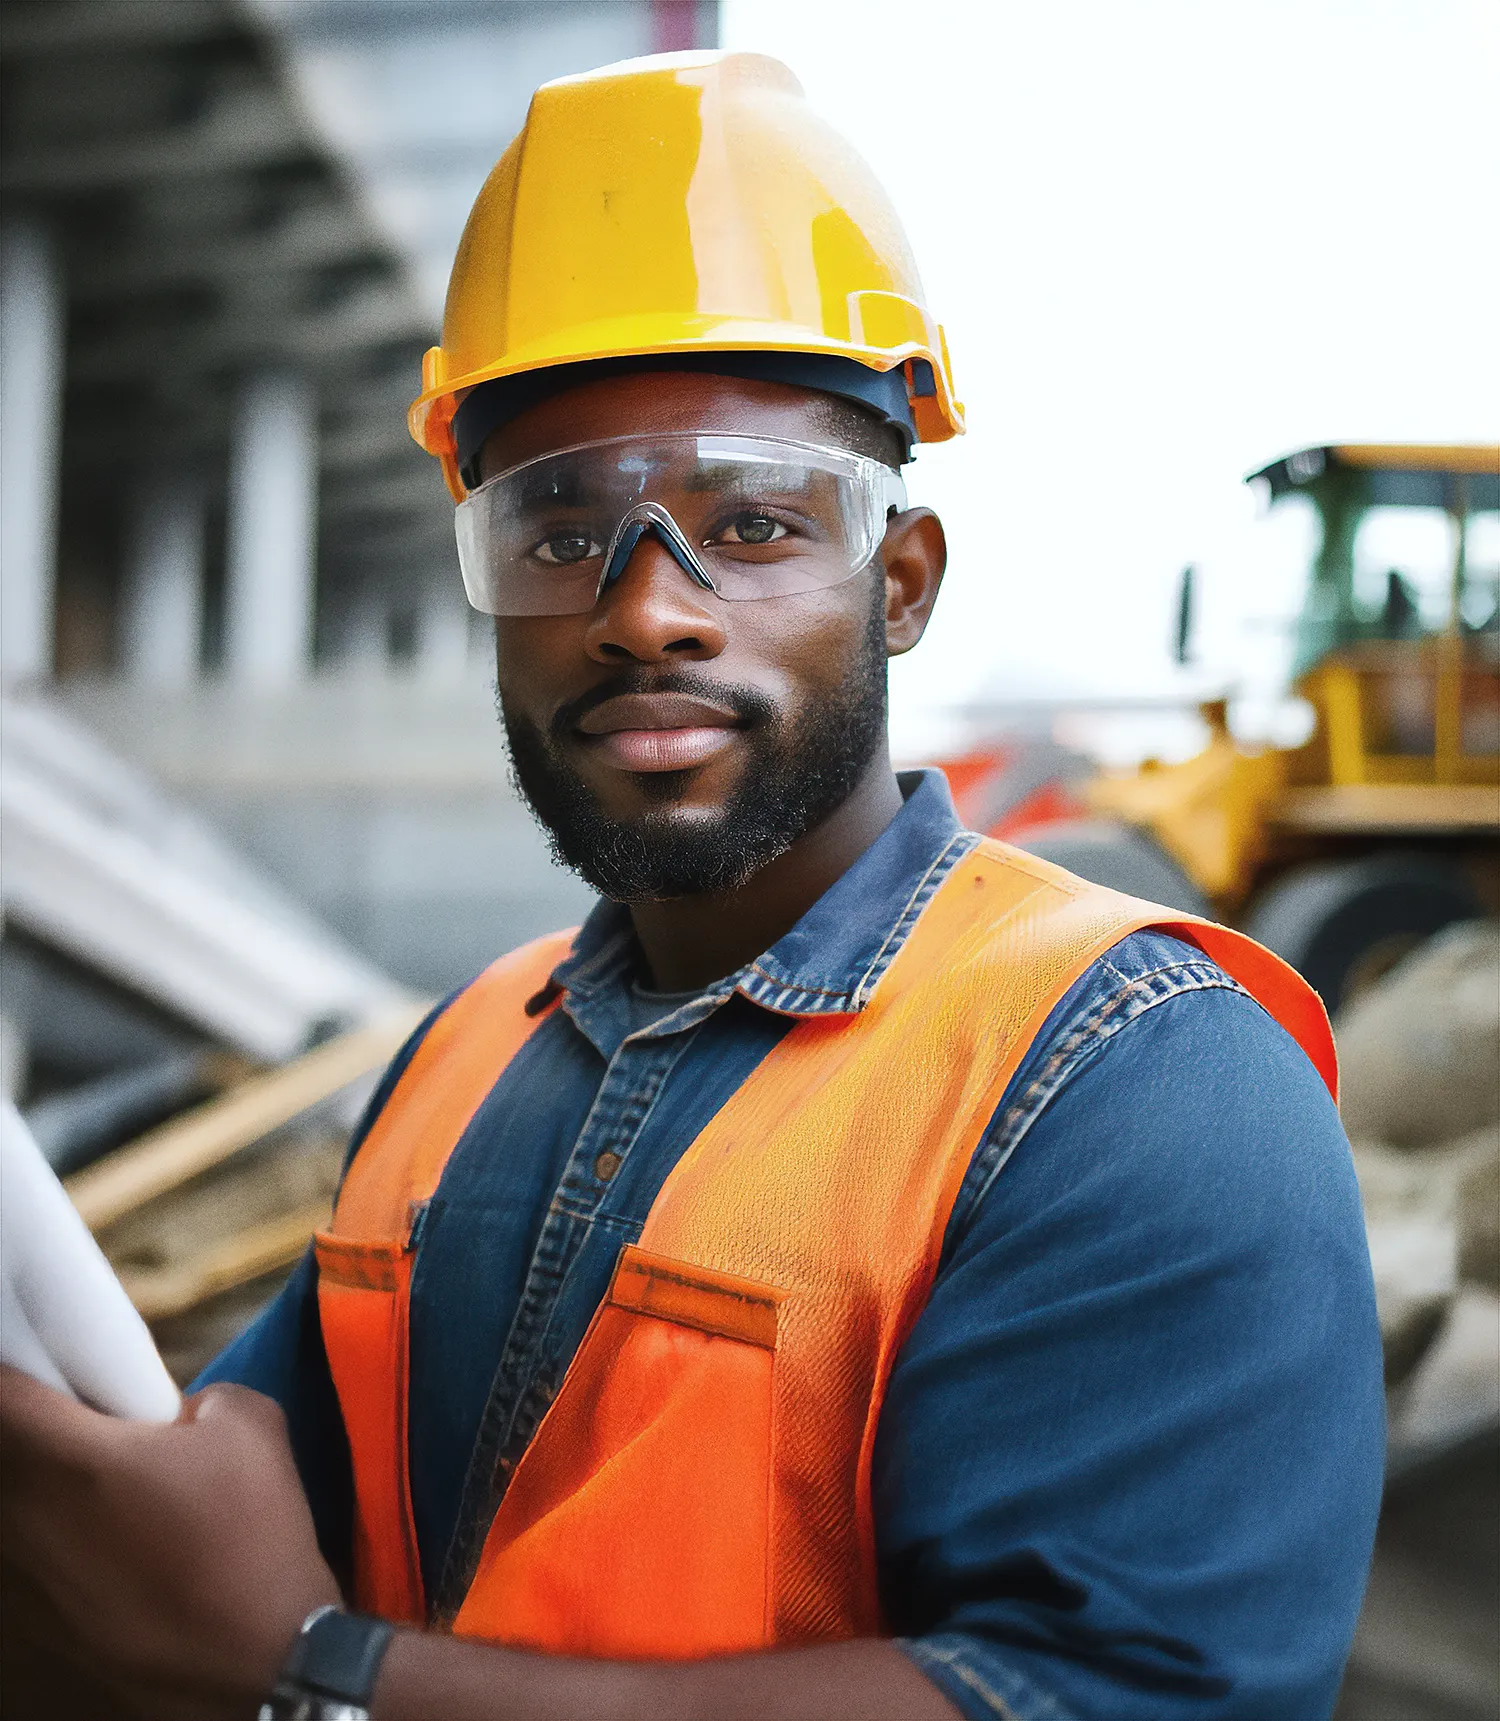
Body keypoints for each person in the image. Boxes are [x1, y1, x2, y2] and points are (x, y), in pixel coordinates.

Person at [0, 50, 1384, 1721]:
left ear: (904, 581)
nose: (645, 608)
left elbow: (1122, 1700)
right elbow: (209, 1531)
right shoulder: (462, 1055)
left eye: (751, 520)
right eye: (558, 528)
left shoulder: (1137, 1080)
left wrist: (317, 1683)